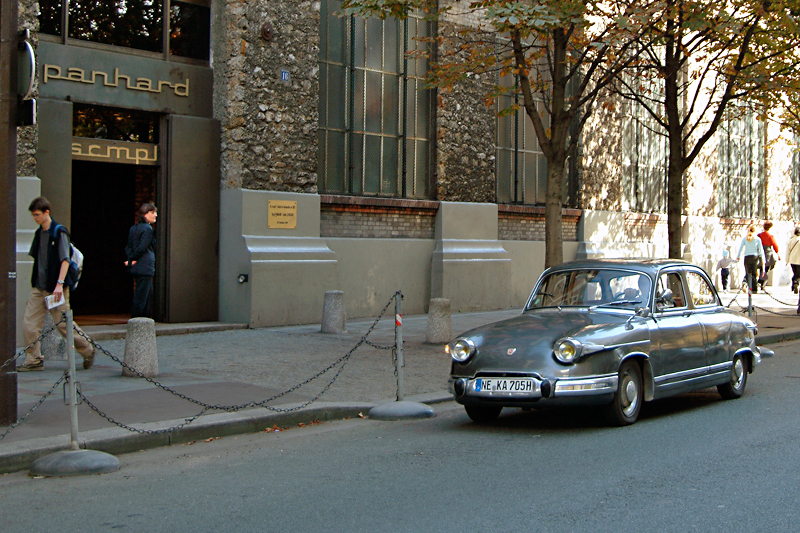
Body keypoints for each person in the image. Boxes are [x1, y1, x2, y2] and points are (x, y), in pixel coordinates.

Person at [20, 197, 95, 371]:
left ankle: (87, 349)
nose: (35, 218)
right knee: (29, 324)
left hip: (55, 288)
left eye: (37, 215)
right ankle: (34, 360)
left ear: (46, 212)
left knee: (62, 324)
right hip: (39, 287)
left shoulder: (59, 232)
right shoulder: (39, 233)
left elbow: (65, 260)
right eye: (33, 215)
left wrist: (59, 285)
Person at [124, 203, 158, 318]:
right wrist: (133, 259)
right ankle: (138, 320)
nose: (155, 215)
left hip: (138, 267)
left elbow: (128, 247)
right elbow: (142, 248)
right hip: (145, 266)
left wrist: (131, 259)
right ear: (144, 214)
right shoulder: (148, 229)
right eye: (152, 212)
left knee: (146, 293)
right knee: (143, 296)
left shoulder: (133, 228)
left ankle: (144, 320)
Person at [737, 224, 766, 293]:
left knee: (748, 272)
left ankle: (745, 282)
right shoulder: (757, 239)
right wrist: (763, 260)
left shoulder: (745, 238)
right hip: (754, 258)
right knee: (754, 274)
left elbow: (741, 248)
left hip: (747, 257)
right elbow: (761, 251)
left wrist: (738, 256)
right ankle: (754, 289)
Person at [757, 221, 781, 291]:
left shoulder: (759, 235)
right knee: (767, 268)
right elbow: (775, 245)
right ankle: (762, 283)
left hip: (760, 253)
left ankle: (760, 280)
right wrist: (778, 254)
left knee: (761, 268)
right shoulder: (770, 236)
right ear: (770, 228)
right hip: (768, 254)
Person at [788, 227, 800, 294]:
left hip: (792, 260)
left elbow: (788, 251)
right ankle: (796, 283)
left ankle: (795, 283)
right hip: (799, 260)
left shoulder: (791, 240)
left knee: (795, 273)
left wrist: (787, 260)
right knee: (798, 274)